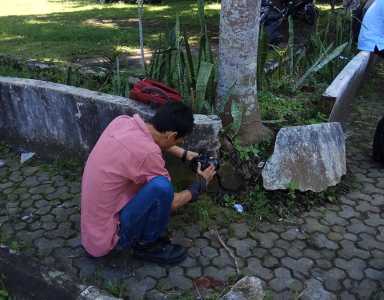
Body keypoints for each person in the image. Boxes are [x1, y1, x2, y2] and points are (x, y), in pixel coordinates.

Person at [80, 102, 216, 264]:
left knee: (150, 183)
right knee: (162, 188)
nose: (177, 144)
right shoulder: (148, 154)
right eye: (178, 141)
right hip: (109, 239)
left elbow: (154, 139)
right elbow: (171, 202)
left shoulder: (122, 122)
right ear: (172, 136)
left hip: (93, 233)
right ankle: (147, 245)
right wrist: (199, 186)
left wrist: (184, 154)